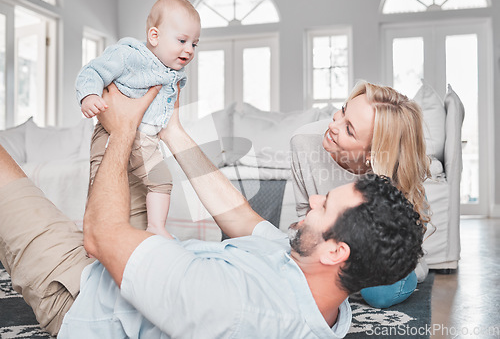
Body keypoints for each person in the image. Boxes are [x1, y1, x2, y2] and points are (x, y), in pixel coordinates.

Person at [0, 84, 424, 338]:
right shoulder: (318, 288)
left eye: (325, 204)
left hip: (82, 292)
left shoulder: (237, 305)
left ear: (336, 252)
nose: (313, 199)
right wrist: (174, 131)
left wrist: (124, 128)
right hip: (137, 262)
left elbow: (99, 234)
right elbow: (241, 218)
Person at [290, 80, 431, 309]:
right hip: (332, 247)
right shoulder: (302, 142)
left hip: (375, 252)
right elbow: (305, 212)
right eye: (343, 111)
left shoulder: (391, 170)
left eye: (349, 130)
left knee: (379, 294)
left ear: (372, 154)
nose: (334, 125)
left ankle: (410, 275)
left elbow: (394, 242)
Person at [75, 0, 201, 236]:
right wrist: (89, 96)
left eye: (194, 44)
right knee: (101, 181)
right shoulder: (128, 55)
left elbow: (170, 116)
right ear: (154, 36)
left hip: (146, 140)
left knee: (162, 181)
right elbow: (92, 71)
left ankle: (155, 227)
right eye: (183, 40)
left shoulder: (174, 74)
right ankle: (93, 230)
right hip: (111, 132)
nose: (189, 49)